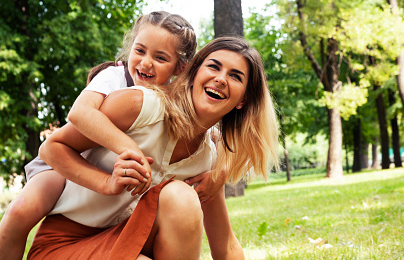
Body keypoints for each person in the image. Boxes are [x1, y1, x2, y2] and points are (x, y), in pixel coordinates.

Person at [0, 11, 218, 259]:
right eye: (140, 51)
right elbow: (79, 114)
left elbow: (212, 134)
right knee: (21, 210)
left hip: (105, 206)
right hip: (62, 161)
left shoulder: (170, 104)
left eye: (160, 57)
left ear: (181, 67)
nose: (145, 63)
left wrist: (220, 173)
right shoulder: (114, 76)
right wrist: (129, 148)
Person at [27, 37, 280, 259]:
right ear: (192, 75)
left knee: (181, 196)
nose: (221, 79)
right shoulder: (141, 105)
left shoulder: (207, 159)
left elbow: (225, 247)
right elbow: (52, 147)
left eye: (235, 76)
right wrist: (107, 183)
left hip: (128, 241)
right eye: (213, 67)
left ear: (243, 100)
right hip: (66, 245)